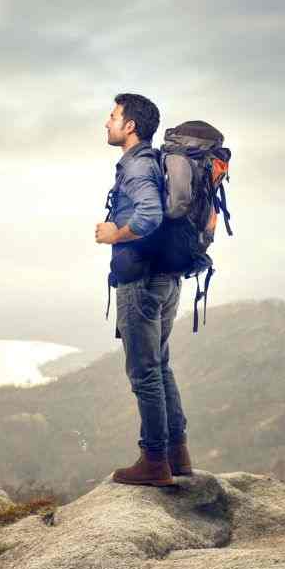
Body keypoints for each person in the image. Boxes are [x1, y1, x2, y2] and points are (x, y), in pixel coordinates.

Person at [94, 93, 192, 487]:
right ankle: (177, 454)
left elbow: (149, 215)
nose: (107, 122)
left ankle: (154, 461)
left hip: (142, 282)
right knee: (160, 366)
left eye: (113, 116)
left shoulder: (137, 166)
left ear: (130, 125)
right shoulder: (154, 164)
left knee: (143, 372)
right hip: (166, 278)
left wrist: (113, 233)